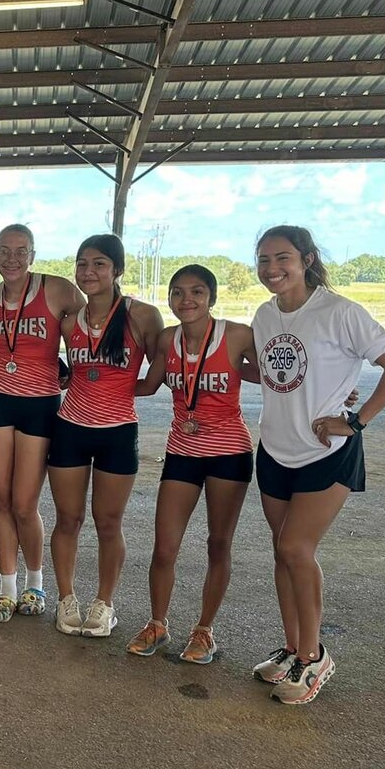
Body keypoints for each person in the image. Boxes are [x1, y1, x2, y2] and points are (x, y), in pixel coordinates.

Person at [251, 225, 385, 705]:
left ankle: (314, 656)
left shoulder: (339, 311)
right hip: (275, 448)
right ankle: (292, 649)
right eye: (263, 261)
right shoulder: (263, 316)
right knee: (281, 551)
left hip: (327, 451)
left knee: (298, 549)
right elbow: (270, 373)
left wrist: (355, 420)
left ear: (305, 259)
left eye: (282, 258)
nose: (272, 269)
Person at [128, 265, 257, 663]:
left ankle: (204, 631)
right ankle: (158, 623)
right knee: (164, 547)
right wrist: (85, 381)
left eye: (197, 292)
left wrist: (335, 392)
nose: (187, 300)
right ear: (170, 299)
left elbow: (279, 373)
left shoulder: (237, 336)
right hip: (182, 452)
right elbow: (149, 385)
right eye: (179, 293)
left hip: (229, 454)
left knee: (218, 544)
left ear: (211, 298)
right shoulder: (168, 340)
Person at [48, 233, 165, 638]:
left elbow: (157, 375)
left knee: (107, 522)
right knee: (68, 519)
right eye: (82, 263)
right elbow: (62, 369)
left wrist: (115, 391)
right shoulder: (68, 322)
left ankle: (104, 604)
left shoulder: (142, 316)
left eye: (99, 263)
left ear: (118, 270)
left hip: (117, 431)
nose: (89, 271)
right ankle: (66, 600)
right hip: (70, 429)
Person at [0, 223, 85, 622]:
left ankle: (36, 583)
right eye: (4, 250)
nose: (12, 258)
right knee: (2, 500)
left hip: (39, 404)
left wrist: (74, 367)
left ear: (33, 255)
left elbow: (89, 327)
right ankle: (6, 588)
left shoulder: (57, 289)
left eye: (21, 250)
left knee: (25, 504)